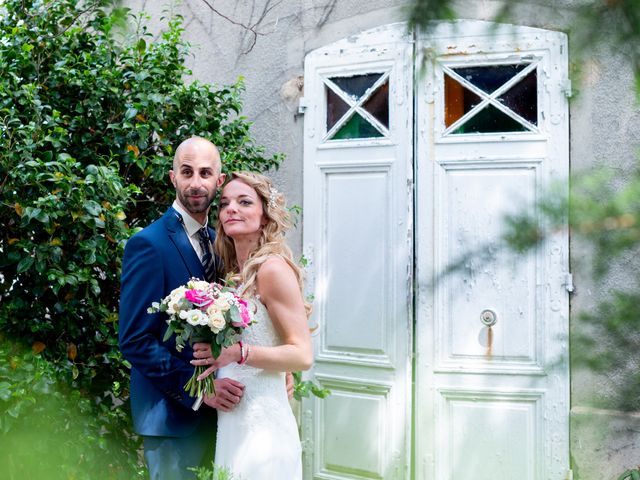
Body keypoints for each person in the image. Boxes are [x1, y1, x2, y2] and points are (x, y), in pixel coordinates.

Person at [118, 137, 246, 480]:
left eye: (205, 173)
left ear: (218, 182)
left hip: (223, 416)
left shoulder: (223, 242)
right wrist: (200, 390)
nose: (195, 183)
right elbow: (134, 340)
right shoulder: (148, 244)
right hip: (172, 419)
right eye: (186, 172)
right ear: (173, 177)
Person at [191, 171, 313, 479]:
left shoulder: (272, 269)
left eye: (244, 202)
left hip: (264, 430)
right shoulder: (233, 275)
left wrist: (239, 352)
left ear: (264, 215)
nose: (231, 208)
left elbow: (302, 355)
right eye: (226, 203)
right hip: (235, 422)